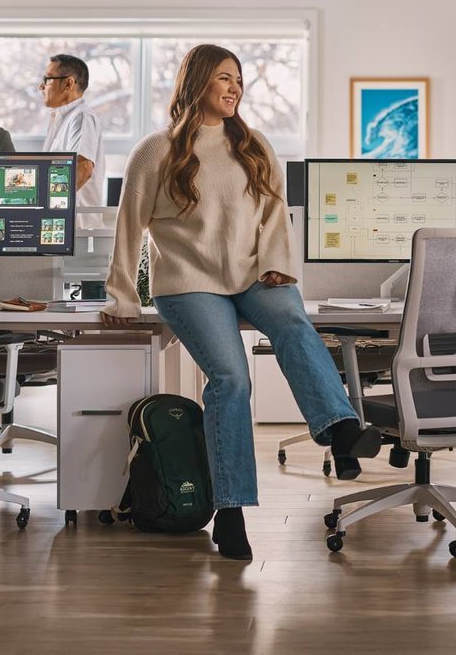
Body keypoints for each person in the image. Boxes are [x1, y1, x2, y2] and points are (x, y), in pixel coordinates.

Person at [104, 44, 381, 561]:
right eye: (224, 79)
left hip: (253, 273)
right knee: (231, 378)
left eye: (239, 80)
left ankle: (341, 431)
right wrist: (122, 293)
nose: (235, 89)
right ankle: (230, 512)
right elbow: (129, 226)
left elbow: (275, 214)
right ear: (197, 84)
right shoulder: (155, 151)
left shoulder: (252, 144)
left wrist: (278, 263)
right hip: (189, 281)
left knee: (295, 323)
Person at [40, 54, 104, 210]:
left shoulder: (81, 117)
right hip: (64, 222)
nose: (41, 86)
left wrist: (44, 203)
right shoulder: (63, 119)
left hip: (78, 227)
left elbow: (84, 168)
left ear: (68, 84)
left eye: (47, 79)